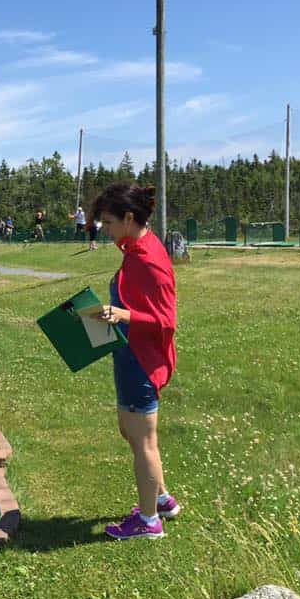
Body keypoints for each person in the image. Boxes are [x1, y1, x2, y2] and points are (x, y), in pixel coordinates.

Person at [91, 183, 179, 540]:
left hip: (143, 361)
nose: (106, 230)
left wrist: (123, 315)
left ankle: (148, 522)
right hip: (128, 355)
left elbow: (166, 321)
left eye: (109, 222)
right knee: (130, 431)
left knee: (144, 441)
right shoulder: (136, 248)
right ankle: (161, 500)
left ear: (130, 218)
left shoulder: (149, 260)